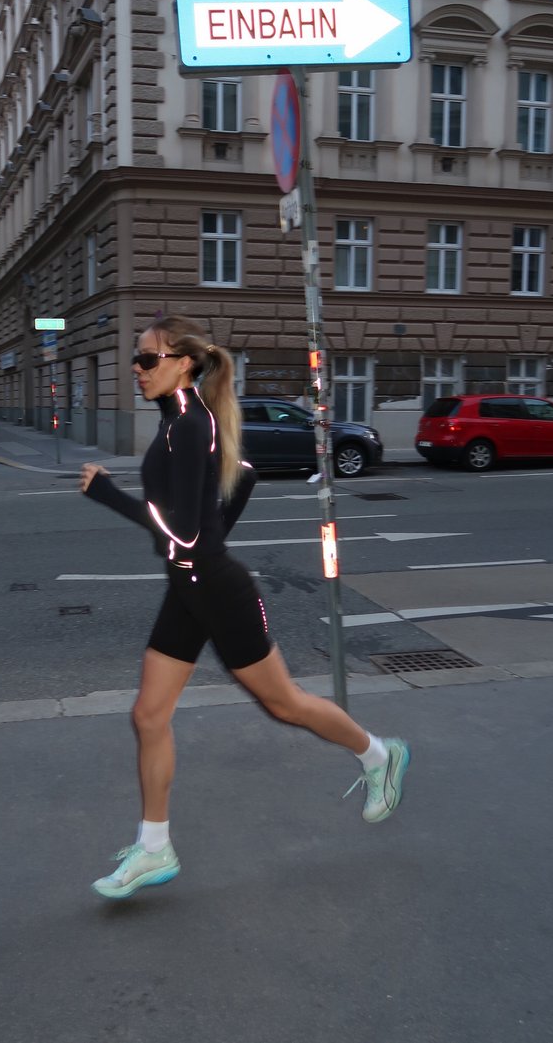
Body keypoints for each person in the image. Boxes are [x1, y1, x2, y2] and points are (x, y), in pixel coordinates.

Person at [80, 314, 410, 900]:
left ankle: (379, 755)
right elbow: (245, 478)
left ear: (183, 363)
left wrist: (106, 493)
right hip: (189, 587)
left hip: (216, 589)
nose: (137, 368)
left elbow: (178, 533)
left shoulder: (189, 425)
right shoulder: (180, 420)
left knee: (285, 705)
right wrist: (212, 532)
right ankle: (154, 848)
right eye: (137, 359)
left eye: (148, 358)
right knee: (148, 716)